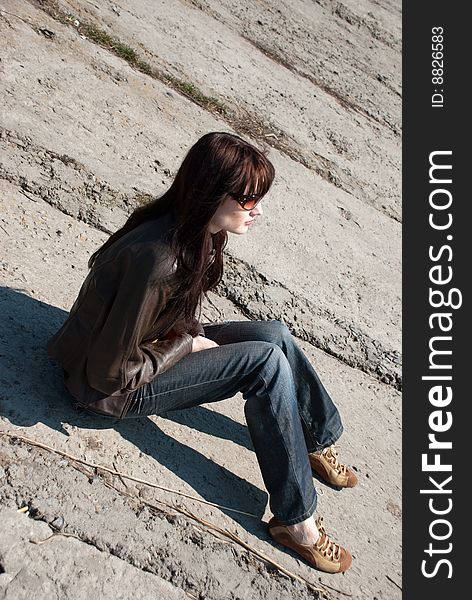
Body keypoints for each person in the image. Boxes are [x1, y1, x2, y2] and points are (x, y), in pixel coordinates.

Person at [47, 131, 357, 574]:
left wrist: (184, 338)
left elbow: (161, 318)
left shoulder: (195, 228)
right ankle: (297, 521)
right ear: (213, 193)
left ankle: (314, 437)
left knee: (273, 335)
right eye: (249, 200)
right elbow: (106, 374)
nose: (259, 211)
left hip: (153, 340)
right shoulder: (161, 260)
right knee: (265, 366)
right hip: (108, 390)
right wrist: (186, 345)